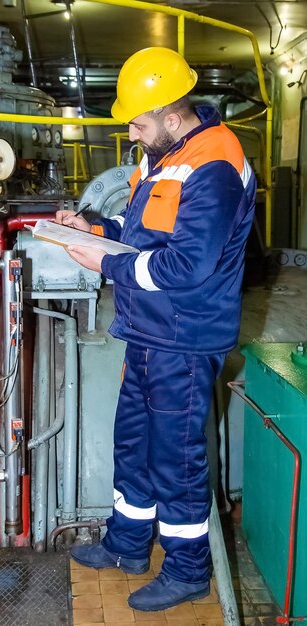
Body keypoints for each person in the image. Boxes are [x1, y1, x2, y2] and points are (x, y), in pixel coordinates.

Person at [55, 46, 256, 612]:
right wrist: (94, 226)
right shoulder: (164, 157)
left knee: (177, 459)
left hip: (186, 341)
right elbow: (141, 230)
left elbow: (185, 266)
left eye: (140, 123)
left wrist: (107, 264)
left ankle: (189, 569)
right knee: (135, 445)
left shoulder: (214, 165)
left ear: (172, 114)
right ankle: (126, 546)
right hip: (148, 333)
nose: (134, 134)